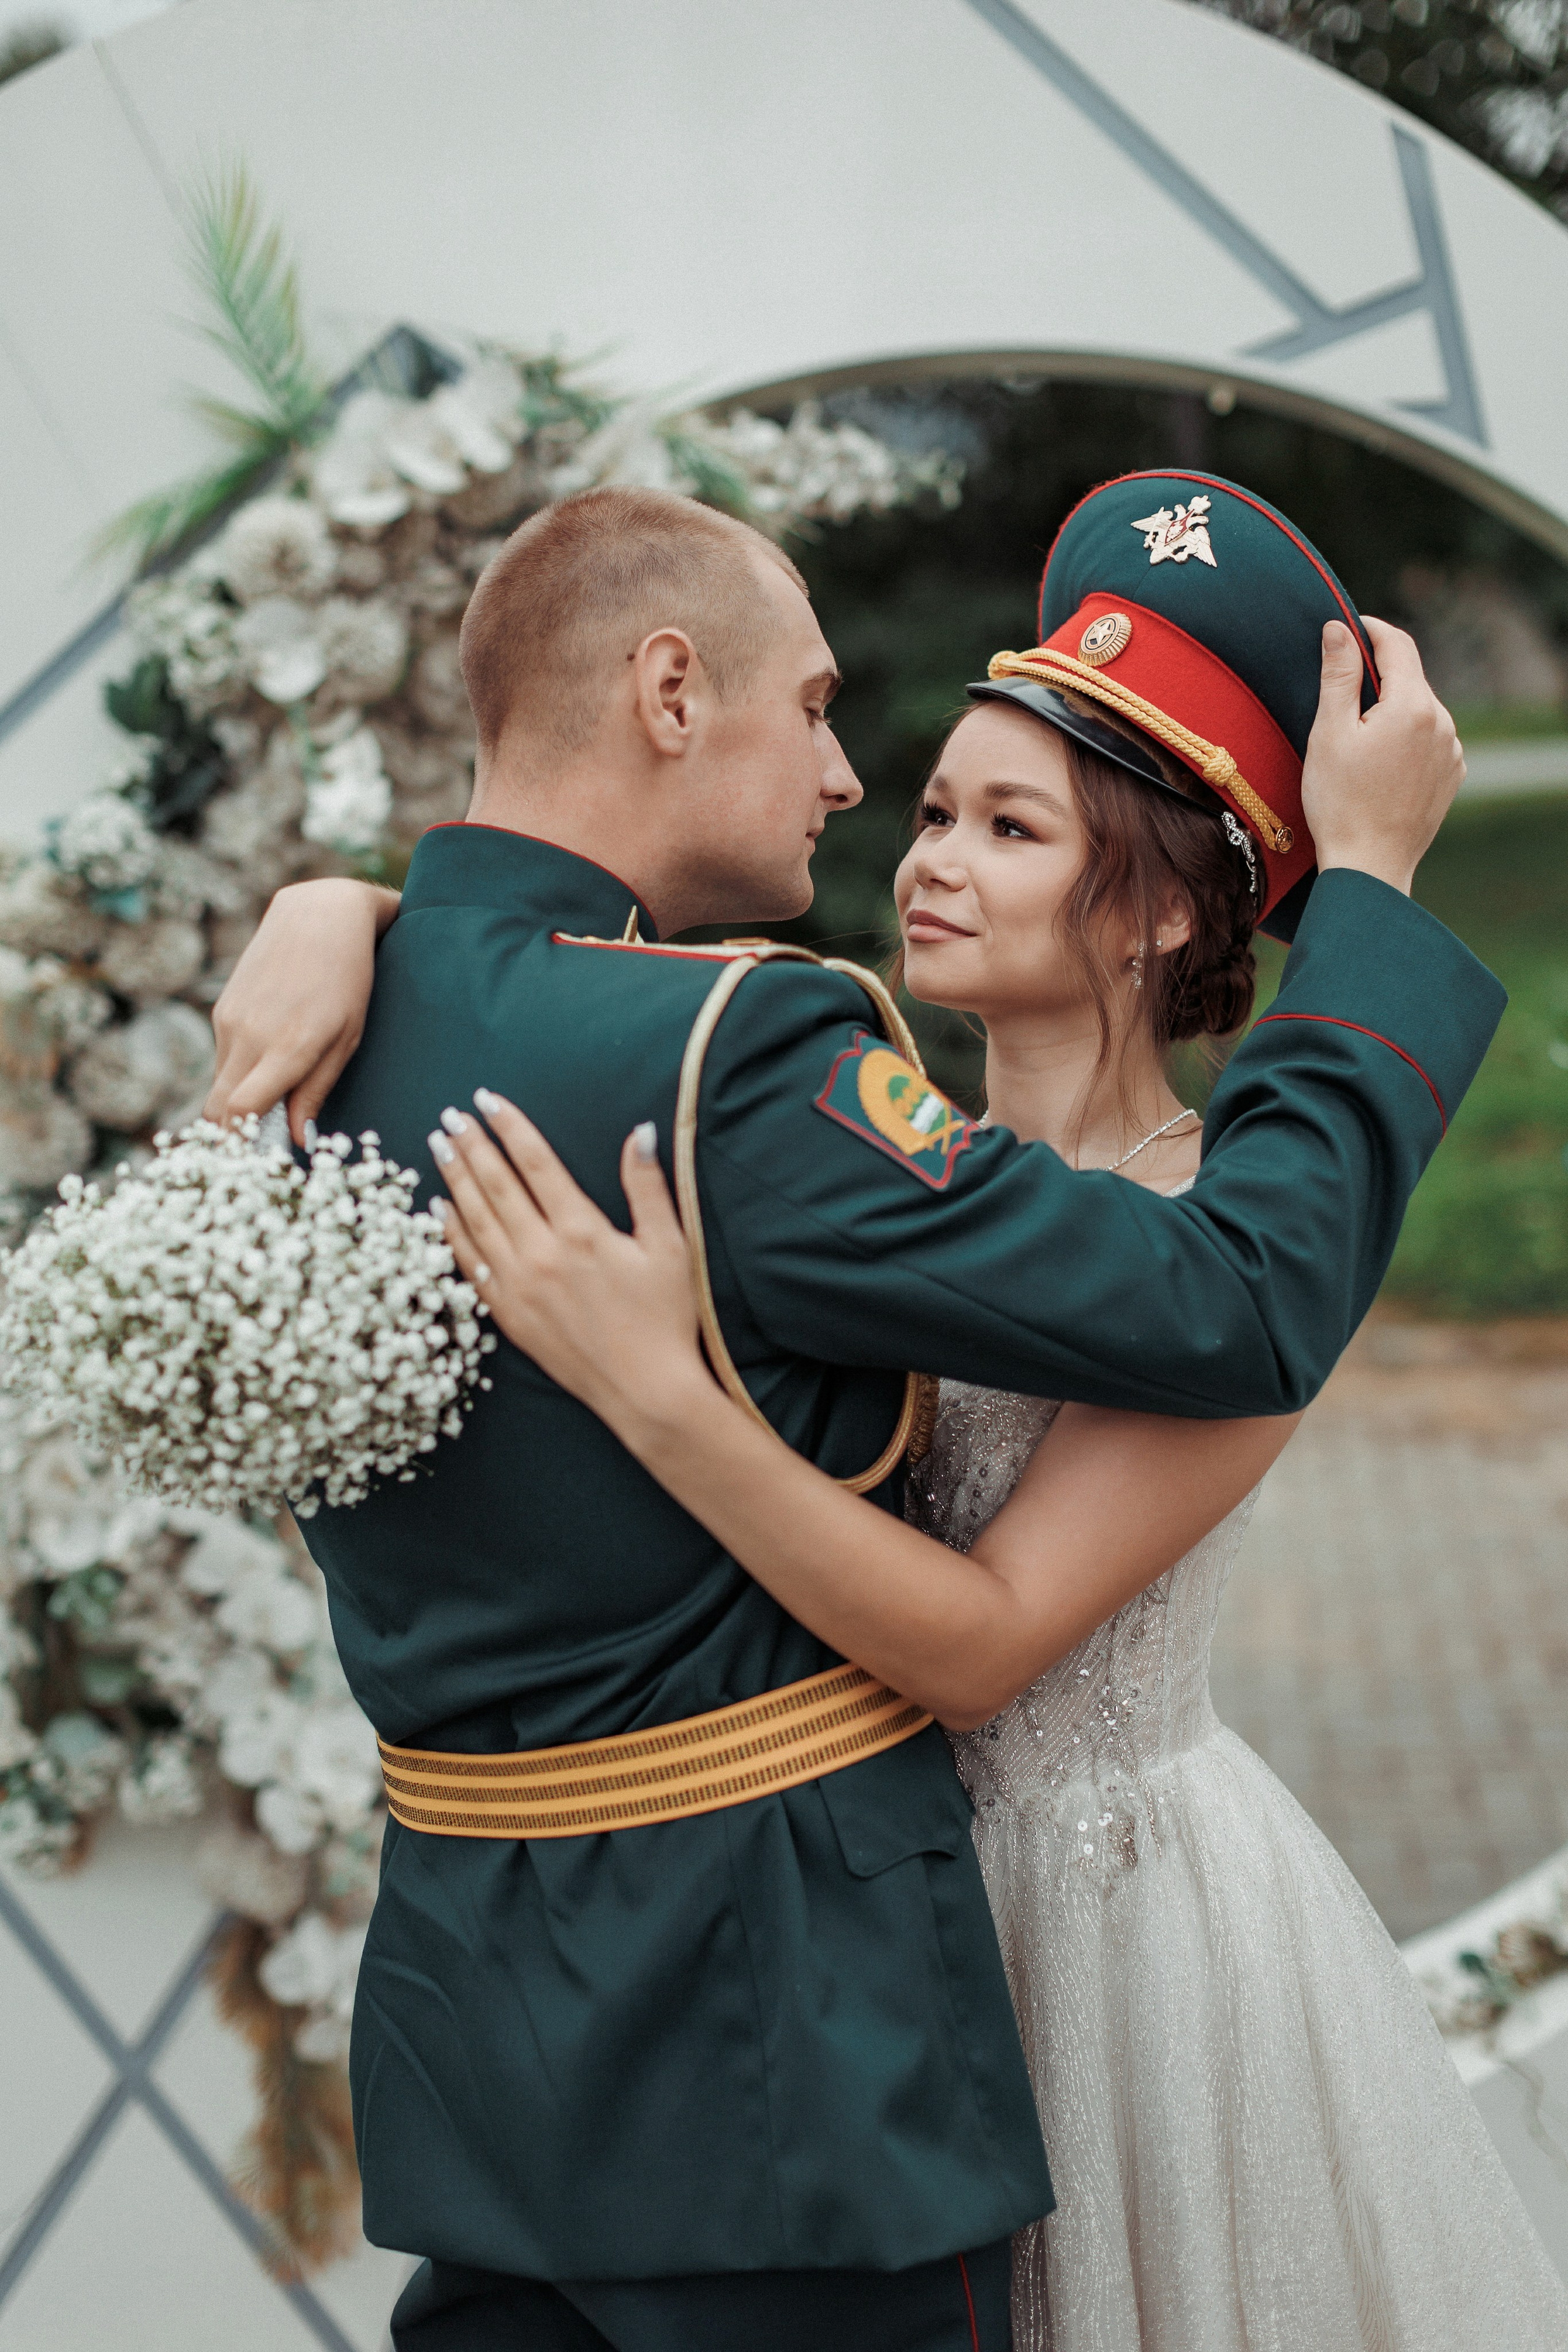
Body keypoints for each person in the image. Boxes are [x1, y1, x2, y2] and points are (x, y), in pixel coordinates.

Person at [206, 477, 1502, 2352]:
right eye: (871, 753)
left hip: (1043, 1961)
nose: (881, 818)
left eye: (1010, 825)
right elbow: (1218, 1298)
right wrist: (356, 902)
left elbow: (1164, 1403)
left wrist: (665, 1394)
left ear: (1149, 913)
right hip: (814, 2006)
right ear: (672, 689)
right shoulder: (784, 1081)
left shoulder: (406, 1035)